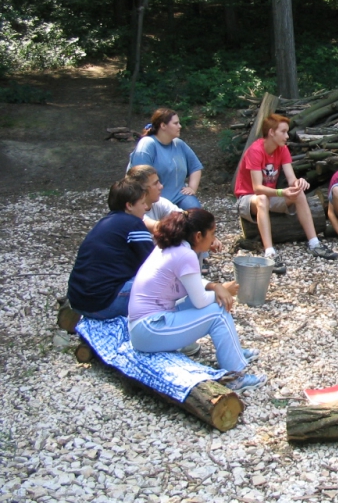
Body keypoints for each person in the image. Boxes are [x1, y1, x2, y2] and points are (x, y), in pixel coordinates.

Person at [128, 209, 266, 394]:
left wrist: (215, 286)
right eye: (213, 233)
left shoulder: (172, 246)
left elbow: (192, 283)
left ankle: (234, 352)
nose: (213, 239)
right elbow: (200, 301)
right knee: (218, 313)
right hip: (148, 330)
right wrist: (223, 291)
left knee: (212, 304)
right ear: (199, 235)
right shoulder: (186, 255)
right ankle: (235, 378)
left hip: (145, 326)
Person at [234, 113, 338, 274]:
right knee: (262, 198)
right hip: (248, 198)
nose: (287, 136)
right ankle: (269, 252)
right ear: (271, 133)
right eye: (283, 132)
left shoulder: (282, 149)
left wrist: (299, 183)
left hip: (271, 196)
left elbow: (291, 179)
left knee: (299, 194)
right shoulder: (255, 151)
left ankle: (314, 243)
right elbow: (257, 188)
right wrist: (281, 192)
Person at [67, 179, 154, 319]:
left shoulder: (105, 223)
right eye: (143, 203)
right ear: (129, 205)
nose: (146, 208)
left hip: (78, 301)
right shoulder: (133, 224)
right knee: (162, 285)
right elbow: (155, 264)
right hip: (104, 303)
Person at [128, 108, 204, 210]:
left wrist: (192, 188)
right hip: (154, 199)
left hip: (179, 196)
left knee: (196, 214)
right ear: (163, 125)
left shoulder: (179, 144)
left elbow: (195, 167)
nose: (180, 126)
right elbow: (138, 179)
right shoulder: (147, 144)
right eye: (176, 123)